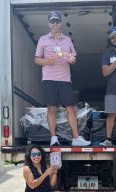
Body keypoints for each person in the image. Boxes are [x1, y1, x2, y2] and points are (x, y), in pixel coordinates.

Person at [35, 11, 90, 147]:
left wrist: (71, 60)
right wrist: (48, 61)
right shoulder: (43, 39)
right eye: (52, 21)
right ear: (49, 23)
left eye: (57, 21)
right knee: (51, 109)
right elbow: (37, 60)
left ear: (61, 23)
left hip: (65, 79)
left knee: (71, 108)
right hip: (49, 79)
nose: (55, 24)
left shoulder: (67, 40)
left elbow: (73, 58)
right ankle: (53, 138)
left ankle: (76, 138)